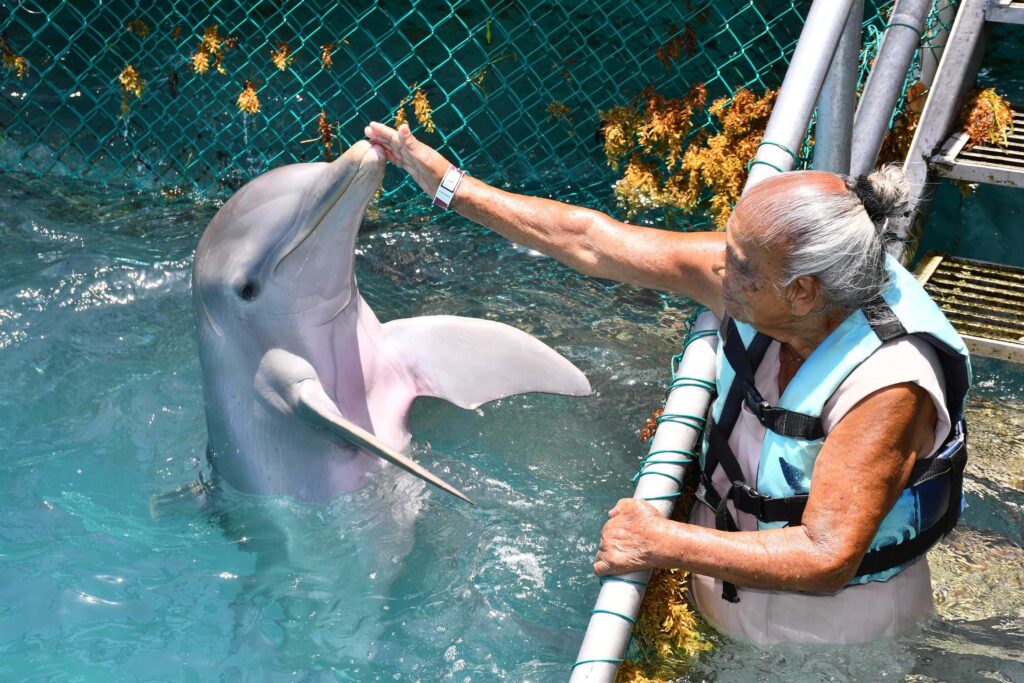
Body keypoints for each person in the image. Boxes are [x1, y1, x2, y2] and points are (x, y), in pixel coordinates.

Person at [363, 121, 970, 645]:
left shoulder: (890, 386)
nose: (717, 268)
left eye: (739, 264)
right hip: (731, 598)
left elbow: (825, 555)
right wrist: (448, 183)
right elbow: (589, 240)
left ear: (803, 290)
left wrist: (659, 540)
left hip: (831, 644)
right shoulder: (787, 284)